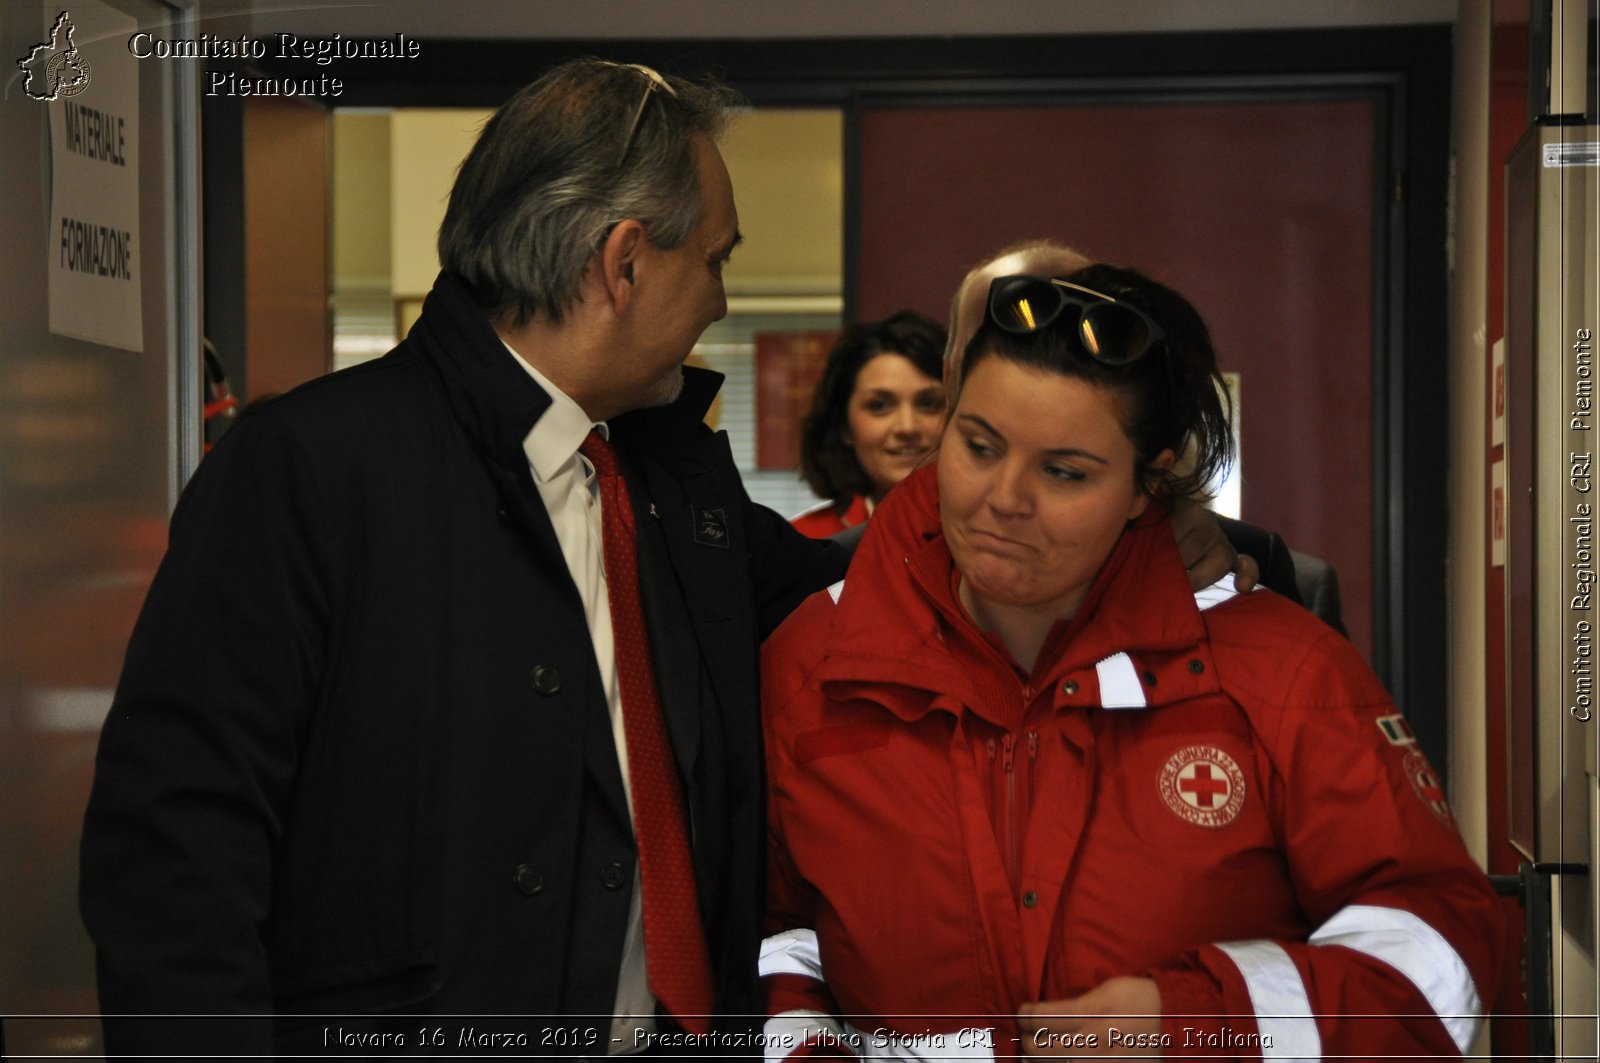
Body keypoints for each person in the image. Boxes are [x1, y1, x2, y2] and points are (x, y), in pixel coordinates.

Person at [78, 58, 849, 1057]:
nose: (718, 301)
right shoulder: (311, 471)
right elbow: (175, 855)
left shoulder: (665, 487)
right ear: (623, 264)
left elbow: (883, 583)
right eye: (713, 260)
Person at [759, 265, 1502, 1058]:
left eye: (1065, 471)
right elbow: (774, 934)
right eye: (978, 446)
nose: (1004, 497)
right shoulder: (815, 660)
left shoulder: (1282, 670)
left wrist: (1198, 1021)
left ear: (1151, 483)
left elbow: (1442, 956)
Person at [945, 238, 1301, 602]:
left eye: (1064, 472)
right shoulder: (897, 540)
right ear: (951, 372)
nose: (1046, 346)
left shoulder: (1213, 562)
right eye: (1004, 327)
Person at [791, 311, 947, 537]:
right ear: (844, 426)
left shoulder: (998, 538)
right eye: (879, 406)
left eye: (929, 404)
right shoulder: (804, 545)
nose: (907, 427)